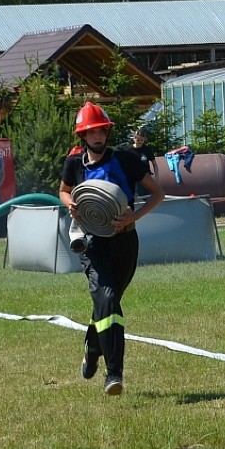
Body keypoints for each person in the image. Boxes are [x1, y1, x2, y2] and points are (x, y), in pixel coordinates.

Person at [58, 102, 164, 396]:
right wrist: (71, 206)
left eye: (101, 130)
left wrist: (134, 216)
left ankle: (93, 347)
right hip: (92, 242)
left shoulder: (127, 160)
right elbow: (64, 191)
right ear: (83, 135)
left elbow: (158, 194)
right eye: (91, 131)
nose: (97, 135)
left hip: (126, 241)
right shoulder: (74, 164)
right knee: (106, 297)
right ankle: (113, 373)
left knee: (109, 301)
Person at [121, 126, 158, 197]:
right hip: (132, 178)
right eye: (138, 140)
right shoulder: (128, 150)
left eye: (142, 140)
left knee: (146, 197)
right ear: (134, 139)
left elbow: (155, 165)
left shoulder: (146, 150)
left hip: (145, 177)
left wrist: (156, 179)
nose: (140, 142)